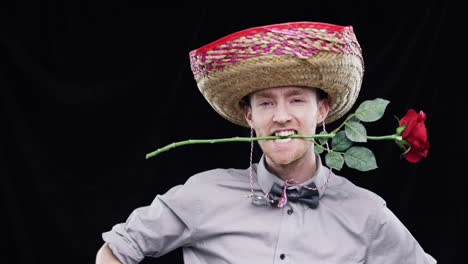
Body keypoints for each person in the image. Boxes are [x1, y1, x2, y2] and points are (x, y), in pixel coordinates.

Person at [96, 21, 436, 264]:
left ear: (323, 109)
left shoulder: (366, 213)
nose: (281, 116)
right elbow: (115, 251)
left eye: (297, 100)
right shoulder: (202, 194)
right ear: (249, 116)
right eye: (266, 103)